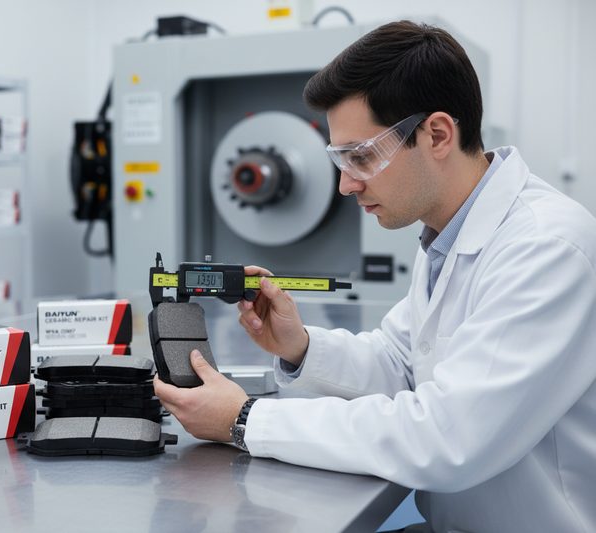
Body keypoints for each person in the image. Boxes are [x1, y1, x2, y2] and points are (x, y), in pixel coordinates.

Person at [153, 20, 596, 533]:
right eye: (339, 160)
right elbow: (402, 363)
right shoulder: (447, 235)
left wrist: (245, 418)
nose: (345, 185)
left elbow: (448, 438)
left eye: (361, 156)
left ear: (437, 135)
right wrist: (300, 346)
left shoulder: (545, 247)